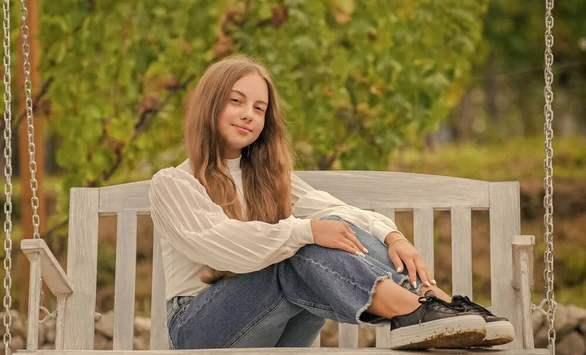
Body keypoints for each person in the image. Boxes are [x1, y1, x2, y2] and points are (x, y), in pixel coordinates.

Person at [149, 55, 514, 350]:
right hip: (199, 331)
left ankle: (436, 305)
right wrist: (304, 231)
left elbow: (336, 213)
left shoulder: (269, 180)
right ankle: (413, 312)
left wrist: (392, 236)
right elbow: (222, 247)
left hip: (275, 330)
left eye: (260, 108)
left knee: (326, 230)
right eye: (236, 101)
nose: (249, 114)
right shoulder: (174, 183)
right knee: (297, 247)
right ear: (210, 105)